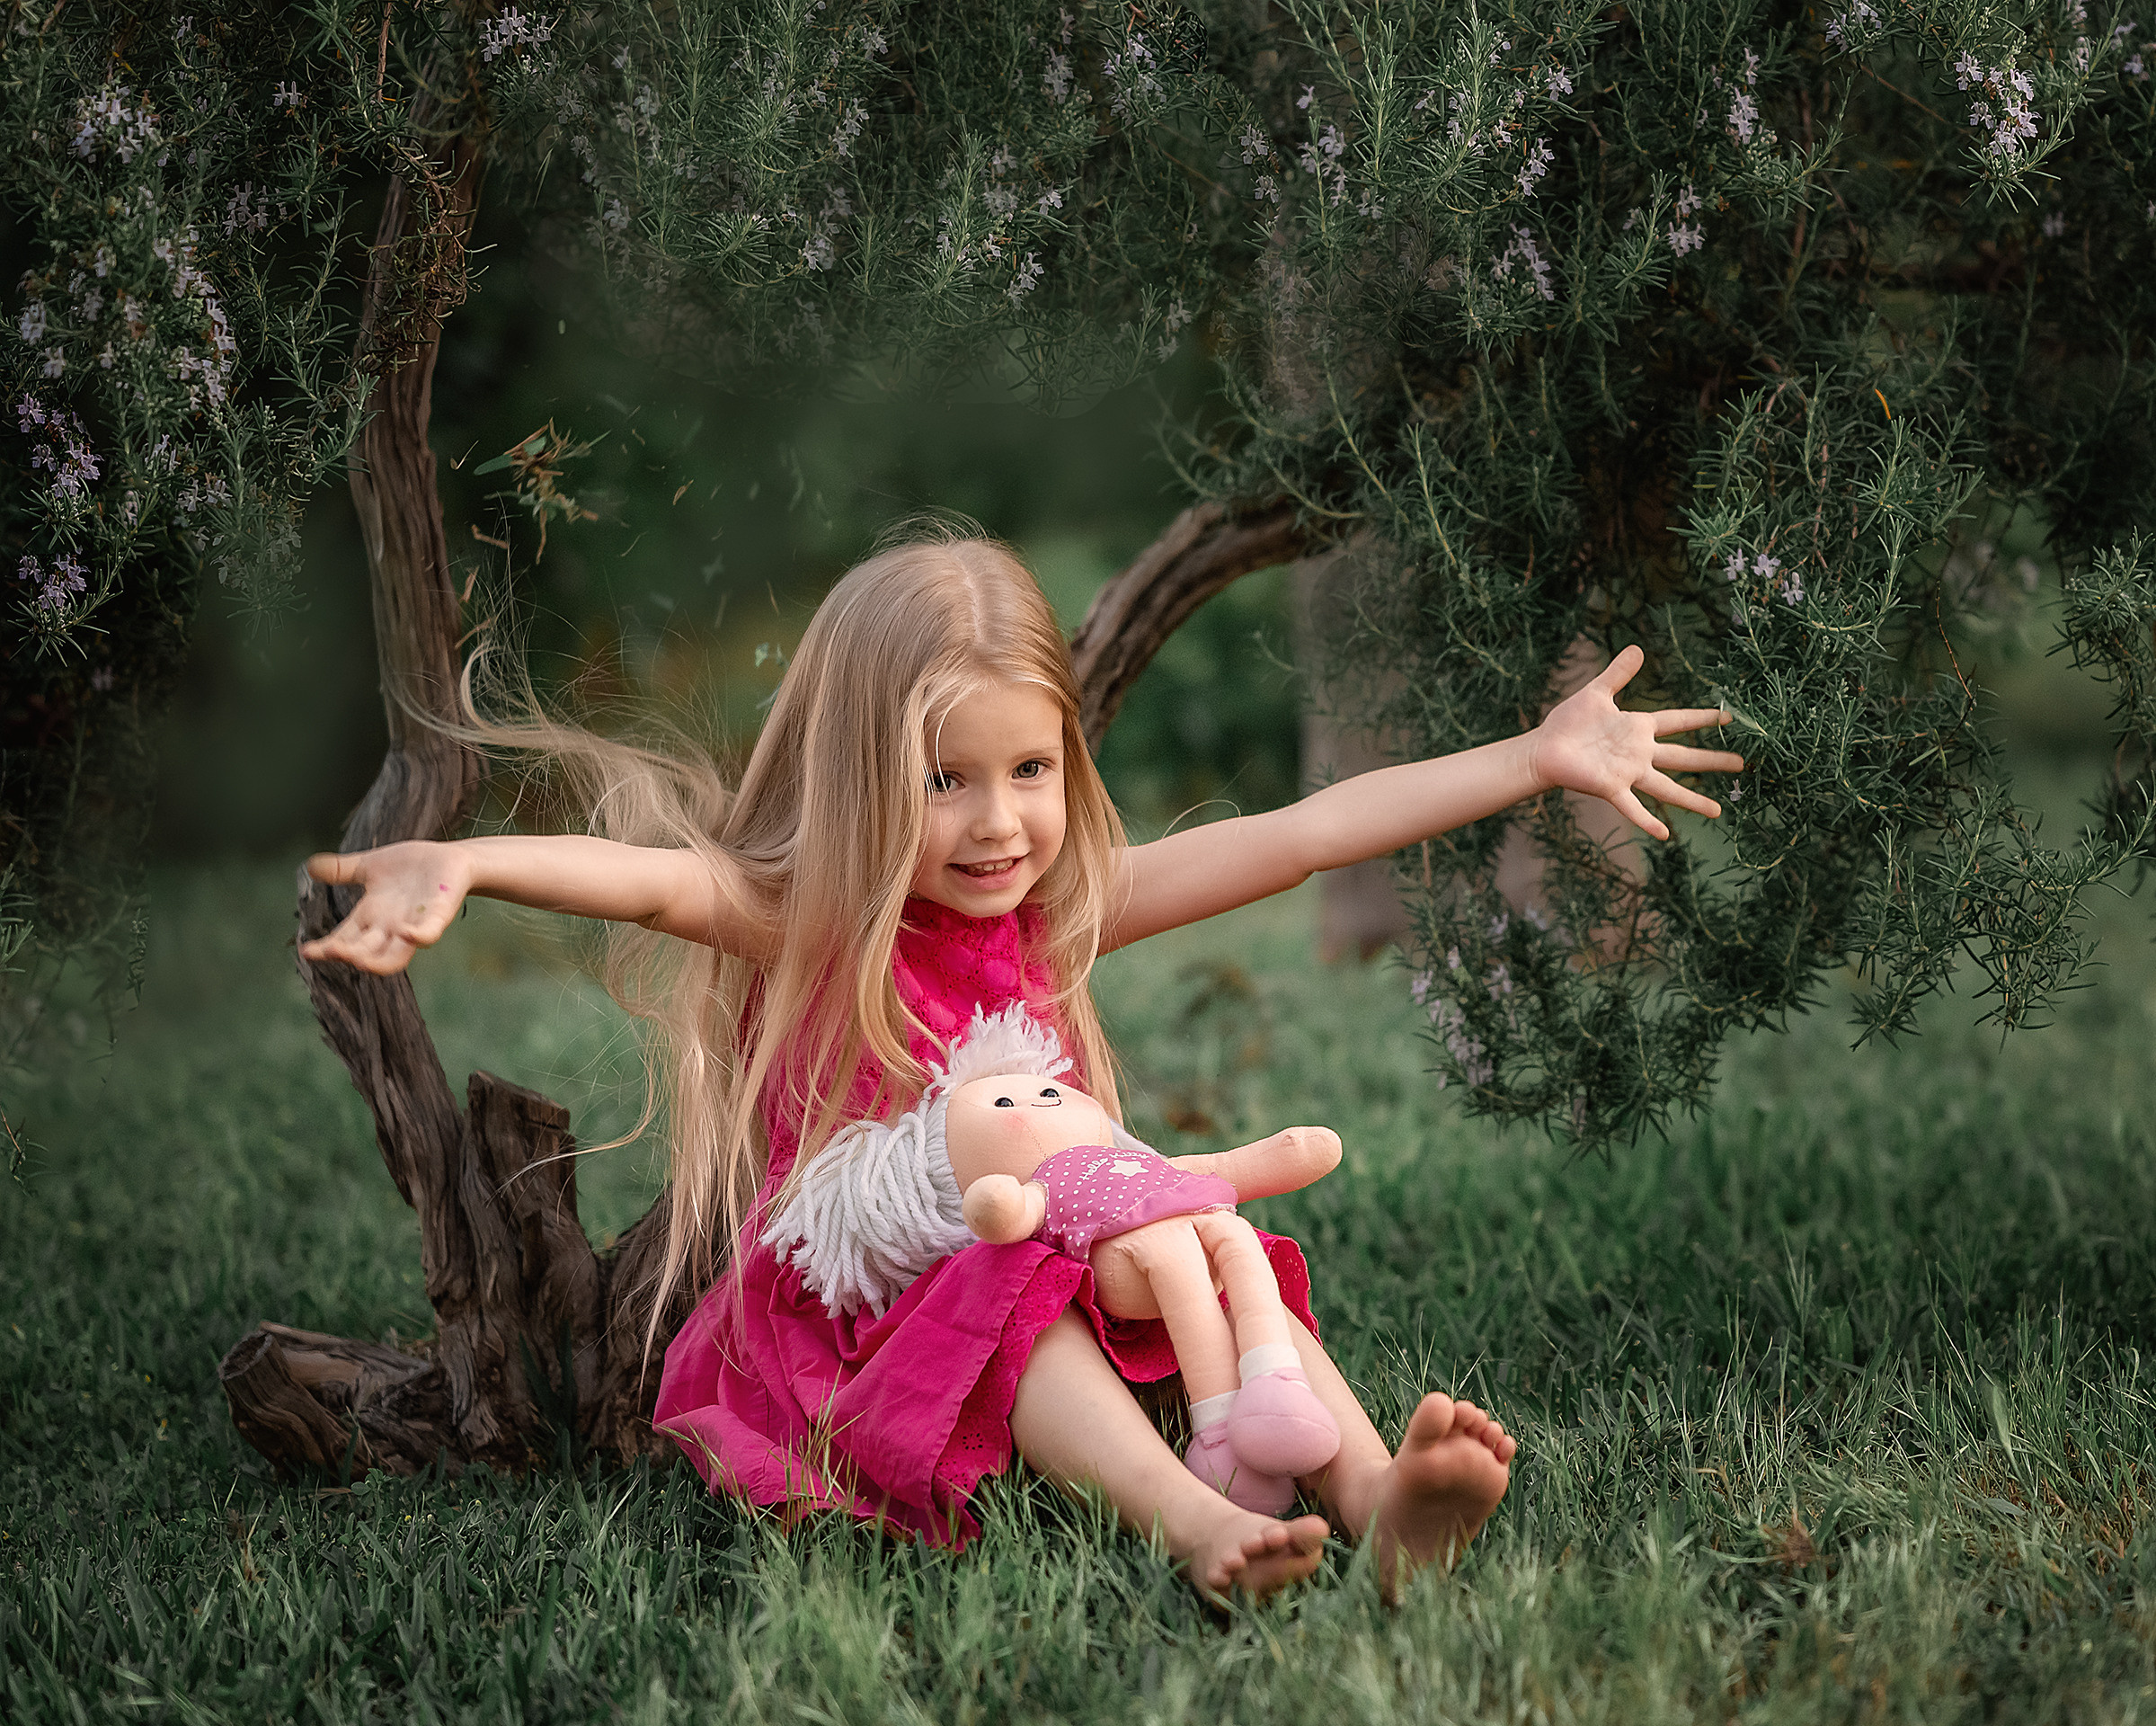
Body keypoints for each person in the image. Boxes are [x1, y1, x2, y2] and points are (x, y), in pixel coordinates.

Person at [300, 521, 1742, 1600]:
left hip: (1081, 1256)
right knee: (1021, 1302)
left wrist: (1535, 758)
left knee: (1219, 1238)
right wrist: (466, 859)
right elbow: (645, 880)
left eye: (1032, 771)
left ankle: (1380, 1497)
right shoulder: (810, 919)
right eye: (947, 782)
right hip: (869, 1319)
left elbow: (1304, 833)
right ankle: (1198, 1526)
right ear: (869, 779)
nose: (999, 824)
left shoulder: (1058, 914)